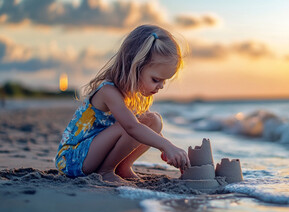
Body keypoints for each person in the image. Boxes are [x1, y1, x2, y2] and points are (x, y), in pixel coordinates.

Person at [54, 25, 190, 183]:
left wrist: (164, 147)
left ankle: (122, 168)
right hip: (73, 158)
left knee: (153, 121)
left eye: (164, 81)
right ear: (135, 67)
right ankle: (106, 171)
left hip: (92, 154)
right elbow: (132, 127)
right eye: (155, 80)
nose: (160, 86)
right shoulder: (108, 91)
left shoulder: (127, 94)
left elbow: (142, 128)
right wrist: (167, 145)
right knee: (132, 124)